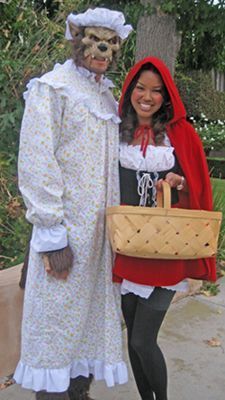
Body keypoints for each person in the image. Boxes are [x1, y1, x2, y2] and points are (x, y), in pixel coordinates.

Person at [14, 7, 132, 400]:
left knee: (87, 326)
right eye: (94, 40)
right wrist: (52, 234)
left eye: (110, 43)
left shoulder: (105, 94)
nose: (102, 49)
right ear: (76, 41)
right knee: (55, 324)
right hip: (66, 235)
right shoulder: (53, 87)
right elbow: (36, 160)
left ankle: (79, 393)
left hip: (100, 241)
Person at [113, 56, 216, 400]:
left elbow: (200, 185)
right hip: (128, 247)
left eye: (156, 90)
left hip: (167, 251)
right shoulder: (115, 130)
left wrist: (179, 182)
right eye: (140, 87)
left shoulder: (181, 133)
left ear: (166, 96)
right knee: (133, 339)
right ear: (130, 90)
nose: (147, 96)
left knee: (143, 337)